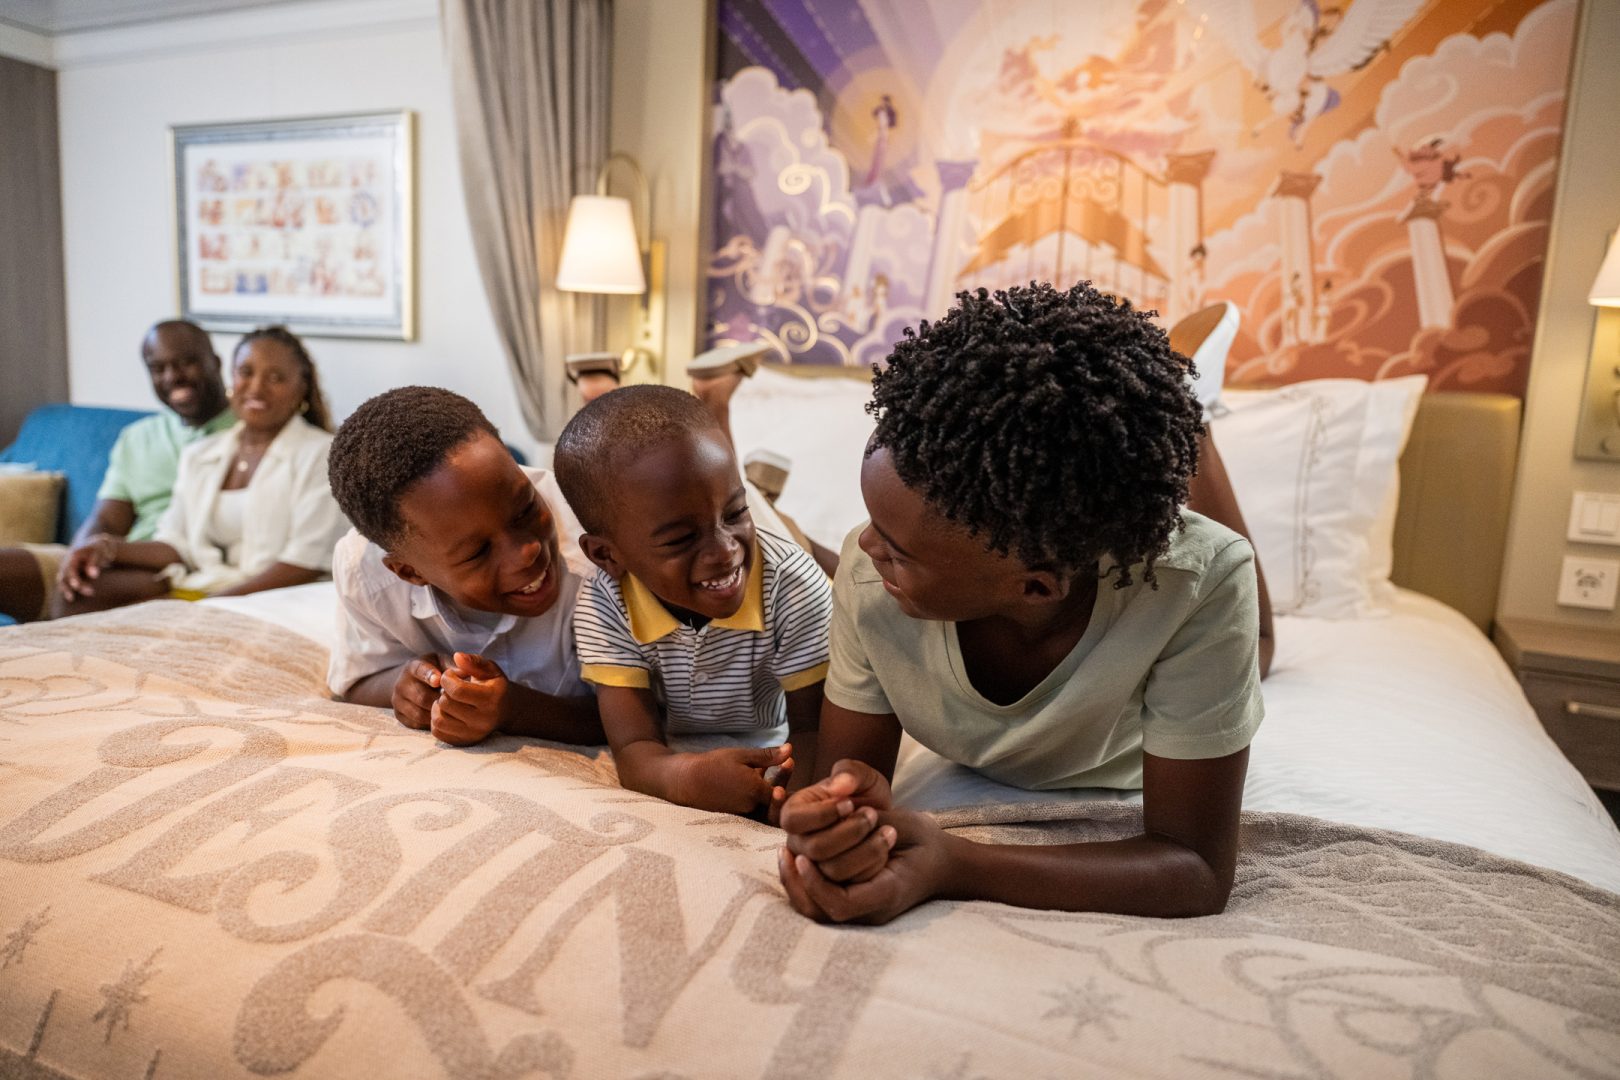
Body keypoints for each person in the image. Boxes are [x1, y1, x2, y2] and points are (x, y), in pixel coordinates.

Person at [777, 282, 1265, 925]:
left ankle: (1189, 408)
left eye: (898, 550)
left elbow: (1196, 869)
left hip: (1174, 584)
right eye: (873, 523)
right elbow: (850, 786)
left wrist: (955, 864)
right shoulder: (872, 581)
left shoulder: (1197, 586)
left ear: (1035, 587)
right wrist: (835, 821)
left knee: (1263, 650)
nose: (867, 549)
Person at [552, 386, 833, 818]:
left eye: (736, 513)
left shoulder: (794, 587)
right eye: (681, 538)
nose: (724, 550)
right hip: (677, 738)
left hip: (771, 734)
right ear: (607, 555)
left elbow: (814, 732)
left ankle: (767, 501)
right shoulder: (604, 602)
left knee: (828, 562)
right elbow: (634, 748)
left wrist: (791, 803)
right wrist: (687, 776)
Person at [324, 386, 603, 748]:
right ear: (409, 573)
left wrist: (513, 709)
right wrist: (406, 688)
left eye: (525, 510)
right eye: (478, 552)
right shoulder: (365, 573)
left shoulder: (597, 547)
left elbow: (648, 714)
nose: (527, 553)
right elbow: (355, 680)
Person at [54, 326, 345, 613]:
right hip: (204, 589)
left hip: (278, 599)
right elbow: (175, 543)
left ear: (301, 388)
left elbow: (305, 563)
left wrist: (207, 607)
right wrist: (106, 547)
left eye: (275, 378)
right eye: (246, 372)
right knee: (79, 595)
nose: (256, 388)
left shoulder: (322, 454)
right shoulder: (200, 454)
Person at [0, 320, 234, 622]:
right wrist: (80, 554)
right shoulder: (137, 438)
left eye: (186, 363)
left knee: (81, 597)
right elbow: (107, 519)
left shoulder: (252, 432)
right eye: (158, 368)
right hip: (114, 556)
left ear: (215, 363)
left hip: (176, 564)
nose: (172, 377)